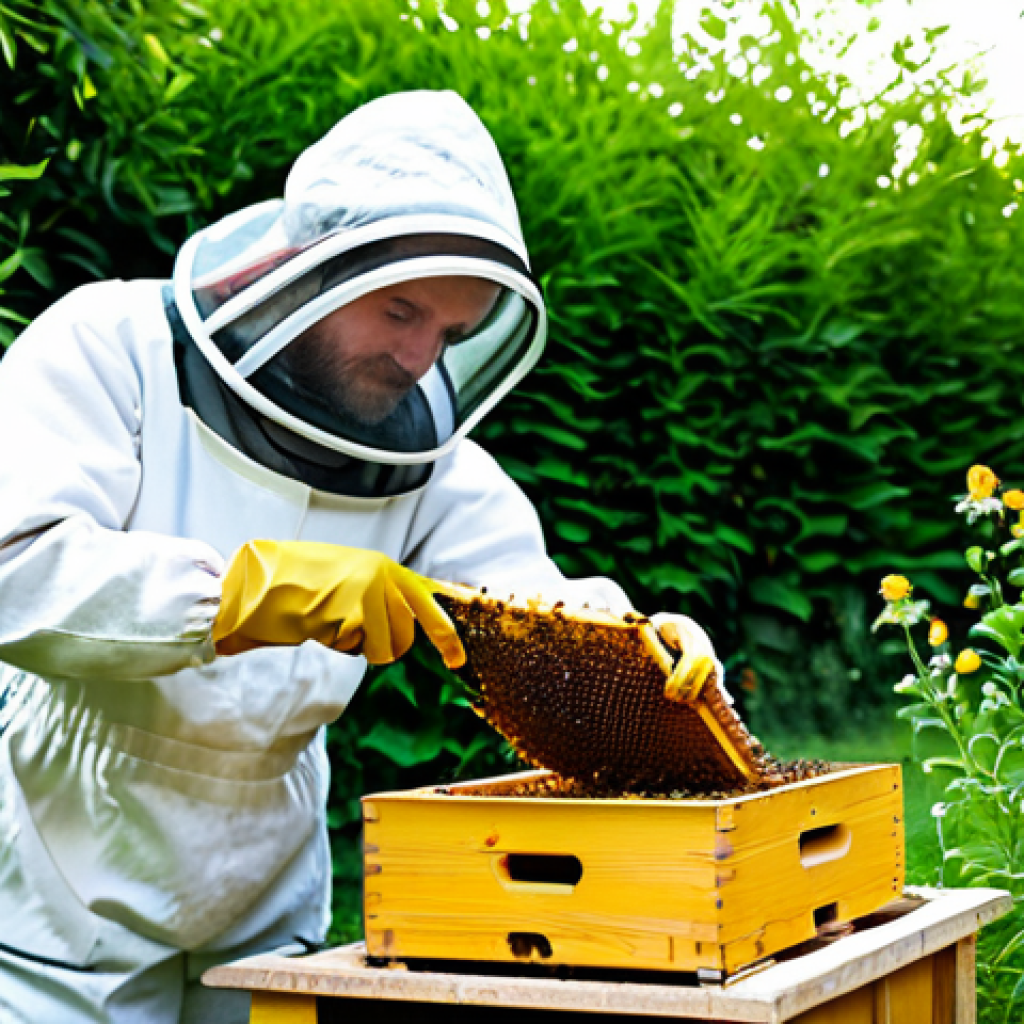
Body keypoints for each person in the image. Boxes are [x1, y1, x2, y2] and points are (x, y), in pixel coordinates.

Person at [0, 90, 723, 1022]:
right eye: (400, 310)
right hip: (70, 849)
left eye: (451, 334)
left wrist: (630, 642)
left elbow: (530, 598)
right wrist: (237, 594)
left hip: (272, 856)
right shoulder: (113, 344)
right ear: (305, 269)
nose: (421, 358)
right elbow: (13, 566)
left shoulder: (423, 456)